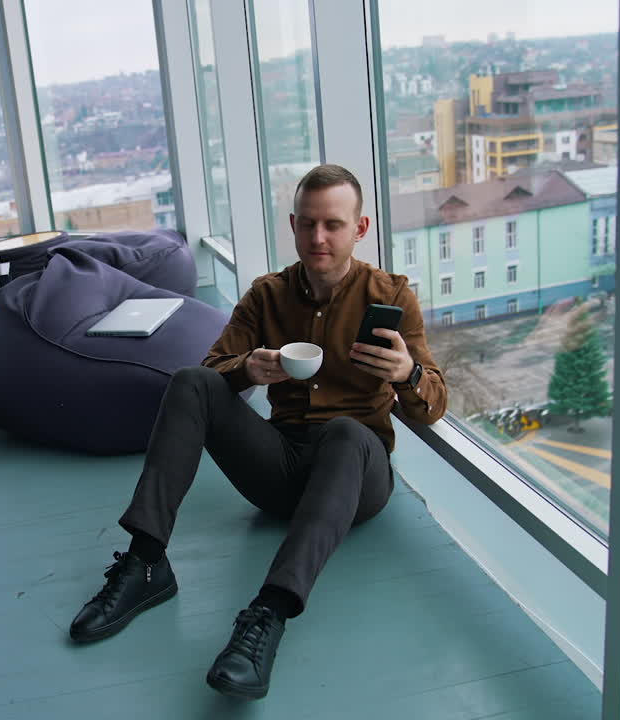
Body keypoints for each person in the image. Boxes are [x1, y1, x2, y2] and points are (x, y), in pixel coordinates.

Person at [68, 163, 448, 700]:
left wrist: (406, 373)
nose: (319, 237)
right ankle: (146, 561)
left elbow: (433, 404)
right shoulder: (266, 295)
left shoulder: (391, 297)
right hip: (280, 465)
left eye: (334, 225)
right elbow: (214, 363)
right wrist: (249, 368)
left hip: (354, 476)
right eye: (308, 224)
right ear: (293, 225)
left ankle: (267, 615)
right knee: (190, 382)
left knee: (346, 434)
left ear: (359, 229)